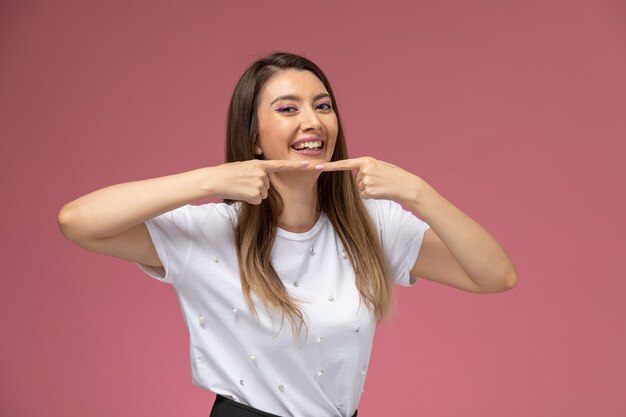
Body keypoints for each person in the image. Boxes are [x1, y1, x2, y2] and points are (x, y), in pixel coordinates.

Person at [57, 52, 517, 417]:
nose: (313, 122)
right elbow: (78, 221)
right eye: (287, 109)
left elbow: (496, 275)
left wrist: (418, 192)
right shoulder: (212, 233)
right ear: (254, 137)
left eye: (323, 106)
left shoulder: (371, 226)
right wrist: (211, 180)